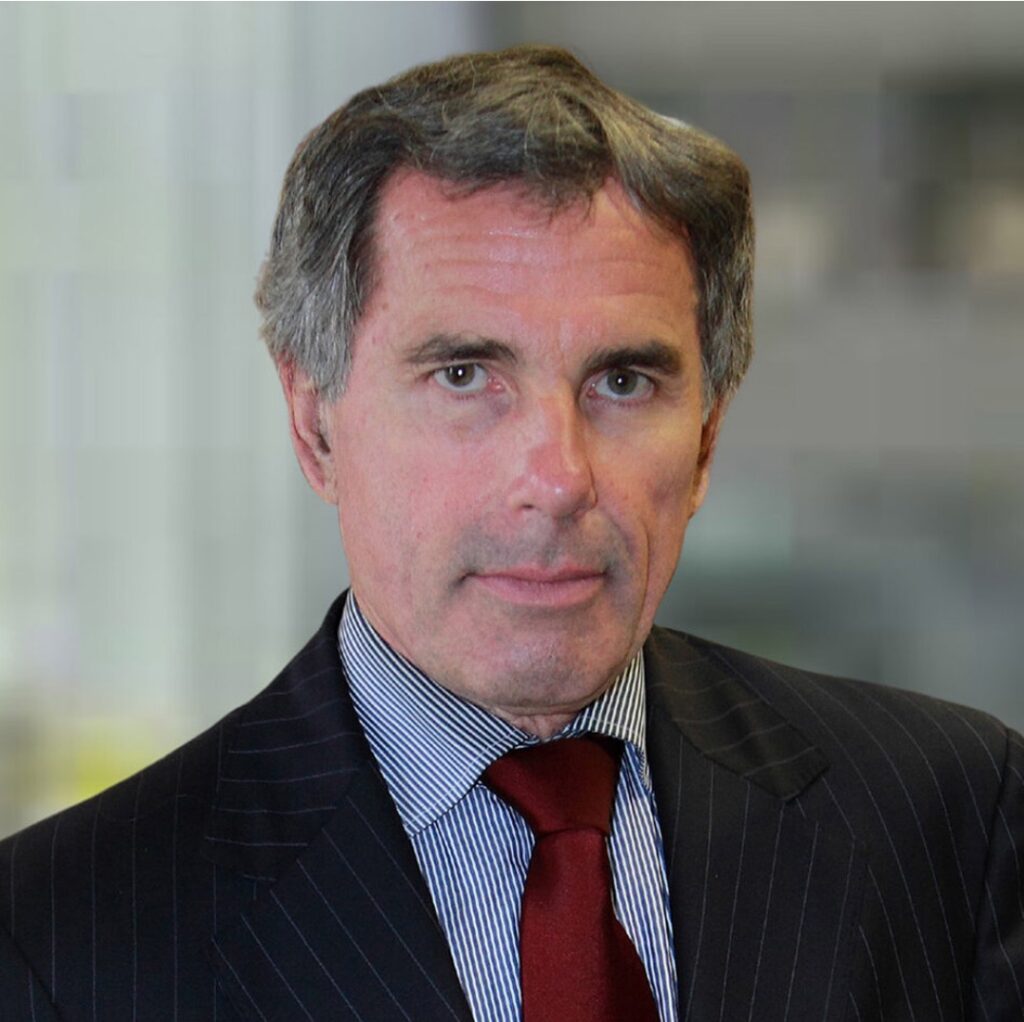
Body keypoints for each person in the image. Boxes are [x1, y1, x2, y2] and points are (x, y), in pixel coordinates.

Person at [1, 44, 1021, 1022]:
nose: (558, 478)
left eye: (624, 381)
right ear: (316, 426)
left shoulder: (951, 820)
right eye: (464, 375)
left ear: (707, 438)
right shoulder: (57, 932)